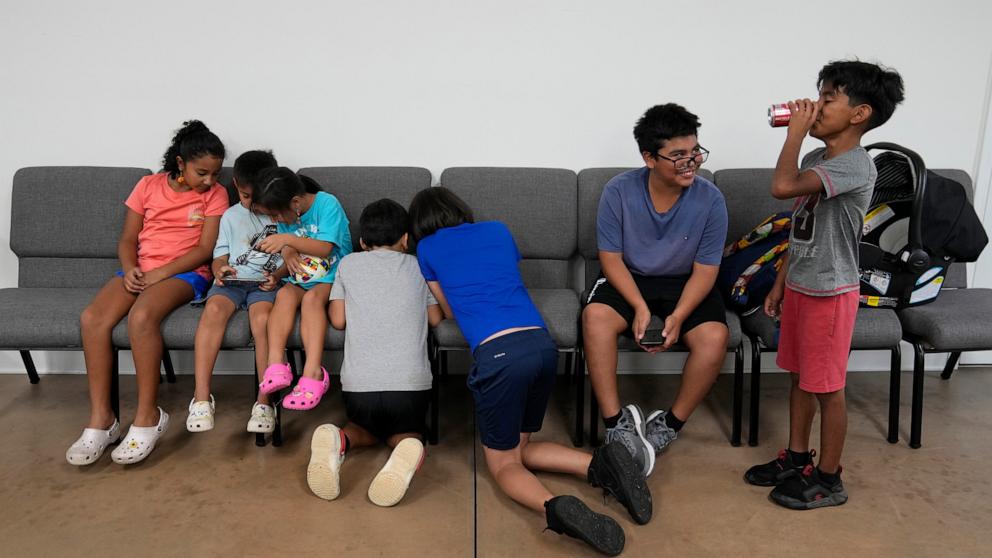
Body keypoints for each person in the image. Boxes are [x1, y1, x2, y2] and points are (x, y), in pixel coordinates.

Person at [410, 187, 652, 556]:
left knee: (504, 464)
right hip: (541, 346)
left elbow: (449, 311)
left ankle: (553, 508)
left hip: (499, 355)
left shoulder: (426, 249)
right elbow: (504, 274)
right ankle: (601, 465)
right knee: (521, 448)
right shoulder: (497, 229)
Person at [744, 60, 905, 510]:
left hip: (831, 295)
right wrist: (780, 283)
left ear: (860, 114)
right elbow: (801, 227)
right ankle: (797, 458)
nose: (815, 105)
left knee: (827, 387)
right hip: (801, 287)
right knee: (799, 375)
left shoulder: (855, 166)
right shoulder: (818, 158)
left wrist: (792, 131)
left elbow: (780, 186)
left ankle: (830, 478)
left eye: (828, 98)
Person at [66, 120, 228, 466]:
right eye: (202, 172)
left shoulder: (216, 195)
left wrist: (159, 274)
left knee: (142, 316)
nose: (210, 181)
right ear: (180, 163)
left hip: (184, 273)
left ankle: (147, 417)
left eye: (215, 174)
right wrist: (133, 269)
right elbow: (127, 239)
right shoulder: (147, 186)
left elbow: (204, 249)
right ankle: (102, 420)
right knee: (92, 319)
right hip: (140, 269)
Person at [582, 103, 729, 477]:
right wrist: (640, 308)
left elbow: (706, 269)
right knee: (595, 318)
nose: (690, 162)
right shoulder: (619, 190)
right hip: (630, 275)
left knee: (714, 339)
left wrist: (678, 315)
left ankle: (668, 425)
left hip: (686, 281)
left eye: (694, 152)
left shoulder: (711, 198)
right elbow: (610, 258)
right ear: (649, 157)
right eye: (678, 155)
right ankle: (616, 423)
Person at [308, 199, 442, 507]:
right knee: (405, 433)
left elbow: (338, 321)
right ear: (406, 240)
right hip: (410, 388)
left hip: (360, 388)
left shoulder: (349, 264)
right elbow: (435, 319)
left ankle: (340, 440)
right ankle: (406, 448)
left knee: (362, 429)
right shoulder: (418, 266)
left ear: (362, 242)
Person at [186, 150, 286, 434]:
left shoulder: (282, 217)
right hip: (232, 281)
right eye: (245, 196)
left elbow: (292, 258)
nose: (252, 204)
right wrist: (219, 269)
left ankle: (265, 401)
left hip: (265, 285)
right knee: (214, 310)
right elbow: (220, 256)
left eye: (258, 197)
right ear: (237, 189)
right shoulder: (230, 217)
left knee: (262, 320)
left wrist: (277, 276)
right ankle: (202, 397)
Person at [253, 167, 351, 411]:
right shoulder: (288, 217)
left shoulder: (327, 204)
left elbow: (325, 248)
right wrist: (277, 274)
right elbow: (294, 260)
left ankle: (313, 372)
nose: (275, 221)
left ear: (295, 202)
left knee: (311, 301)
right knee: (284, 294)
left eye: (276, 215)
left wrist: (286, 242)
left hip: (334, 276)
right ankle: (275, 364)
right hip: (302, 278)